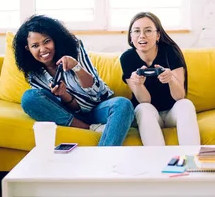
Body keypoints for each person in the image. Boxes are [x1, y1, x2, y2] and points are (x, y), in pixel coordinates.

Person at [15, 15, 134, 146]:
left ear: (55, 39)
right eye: (35, 45)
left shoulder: (74, 49)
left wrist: (76, 67)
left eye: (47, 41)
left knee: (123, 104)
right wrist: (64, 95)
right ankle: (89, 128)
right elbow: (56, 109)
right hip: (71, 116)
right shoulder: (34, 73)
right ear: (28, 48)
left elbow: (95, 90)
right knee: (29, 98)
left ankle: (102, 159)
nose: (42, 49)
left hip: (98, 108)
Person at [119, 12, 200, 146]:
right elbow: (145, 100)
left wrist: (171, 80)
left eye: (148, 30)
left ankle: (191, 160)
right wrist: (138, 84)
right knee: (143, 108)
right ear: (131, 36)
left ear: (158, 35)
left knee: (186, 104)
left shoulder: (170, 52)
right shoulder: (127, 58)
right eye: (136, 31)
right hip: (149, 112)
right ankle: (158, 162)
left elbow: (180, 96)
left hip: (171, 111)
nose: (142, 35)